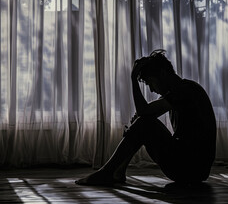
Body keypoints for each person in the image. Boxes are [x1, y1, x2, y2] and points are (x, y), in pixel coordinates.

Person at [75, 49, 217, 186]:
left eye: (150, 83)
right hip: (194, 168)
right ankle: (118, 172)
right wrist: (139, 119)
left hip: (190, 168)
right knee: (142, 122)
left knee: (144, 123)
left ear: (162, 73)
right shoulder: (181, 91)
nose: (151, 90)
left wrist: (133, 80)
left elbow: (144, 112)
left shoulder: (185, 90)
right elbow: (145, 114)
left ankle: (107, 172)